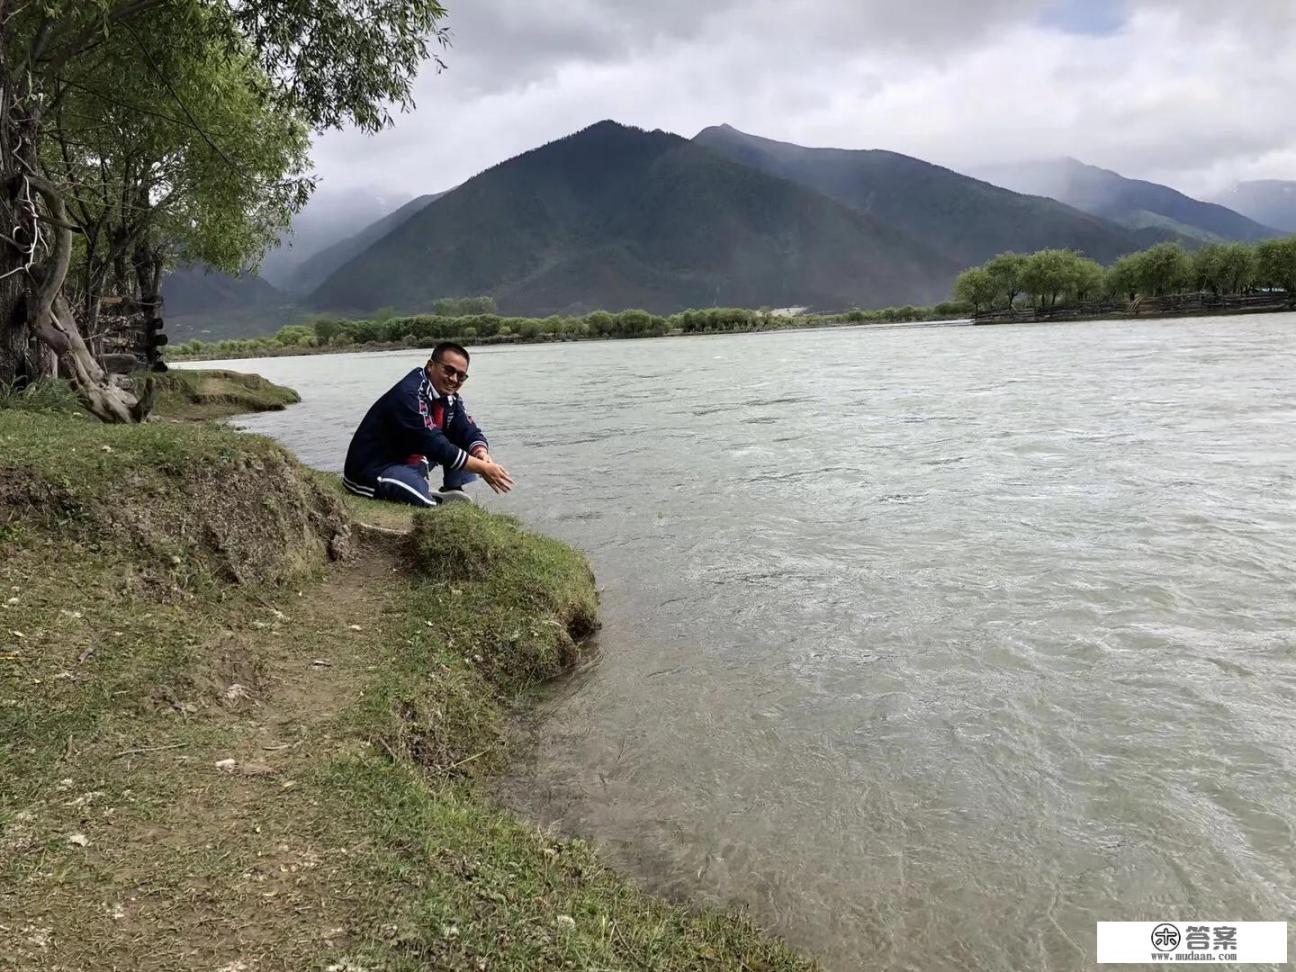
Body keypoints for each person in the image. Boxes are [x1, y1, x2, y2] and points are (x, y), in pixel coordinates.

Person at [343, 341, 513, 507]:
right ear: (431, 365)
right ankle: (427, 495)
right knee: (425, 502)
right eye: (449, 370)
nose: (454, 379)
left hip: (406, 457)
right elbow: (433, 443)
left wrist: (482, 454)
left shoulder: (448, 396)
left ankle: (452, 487)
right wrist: (482, 468)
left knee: (462, 437)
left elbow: (466, 427)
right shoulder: (410, 394)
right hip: (373, 469)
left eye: (461, 376)